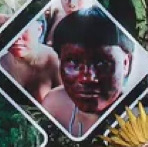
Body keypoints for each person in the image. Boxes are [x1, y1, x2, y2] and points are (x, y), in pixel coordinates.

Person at [42, 7, 134, 137]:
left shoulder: (139, 117)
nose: (87, 77)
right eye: (73, 62)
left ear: (126, 63)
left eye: (102, 63)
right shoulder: (54, 104)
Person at [0, 14, 60, 103]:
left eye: (24, 30)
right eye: (12, 30)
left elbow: (66, 100)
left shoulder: (51, 59)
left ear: (39, 30)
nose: (17, 39)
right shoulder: (0, 64)